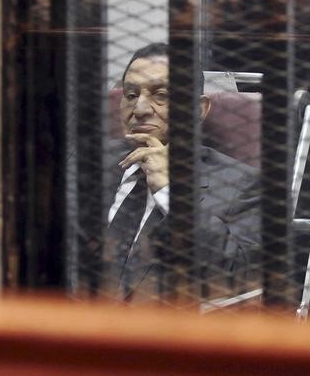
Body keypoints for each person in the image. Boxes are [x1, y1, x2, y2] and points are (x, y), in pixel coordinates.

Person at [101, 42, 260, 302]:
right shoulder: (86, 161)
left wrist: (170, 194)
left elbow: (239, 279)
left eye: (161, 95)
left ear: (198, 110)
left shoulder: (243, 186)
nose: (139, 109)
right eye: (130, 95)